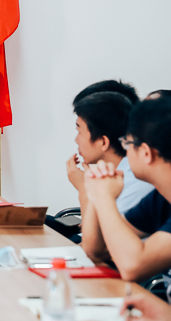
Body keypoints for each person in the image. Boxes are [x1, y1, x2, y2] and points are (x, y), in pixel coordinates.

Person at [81, 97, 171, 282]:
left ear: (146, 152)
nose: (125, 152)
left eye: (127, 144)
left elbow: (133, 266)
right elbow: (95, 249)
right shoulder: (160, 198)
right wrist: (96, 188)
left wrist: (104, 197)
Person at [66, 92, 153, 220]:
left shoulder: (133, 182)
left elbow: (98, 233)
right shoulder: (119, 173)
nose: (76, 140)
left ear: (103, 142)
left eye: (79, 131)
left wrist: (84, 189)